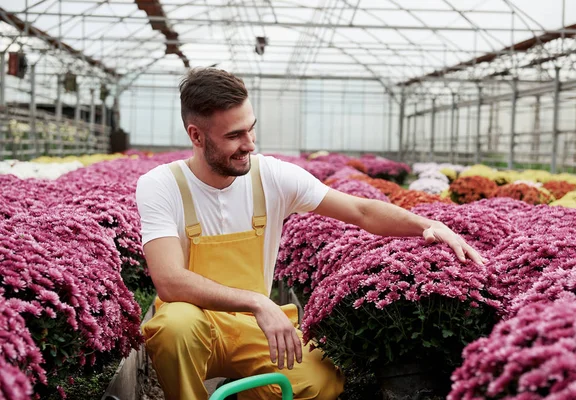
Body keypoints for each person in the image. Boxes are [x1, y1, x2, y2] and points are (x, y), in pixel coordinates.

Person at [135, 68, 486, 400]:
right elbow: (170, 281)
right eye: (234, 136)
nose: (250, 144)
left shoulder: (271, 176)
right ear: (196, 135)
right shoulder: (162, 185)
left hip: (253, 328)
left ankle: (244, 390)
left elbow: (360, 211)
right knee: (175, 327)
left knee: (320, 383)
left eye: (251, 129)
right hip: (197, 327)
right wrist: (258, 301)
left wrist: (426, 225)